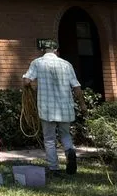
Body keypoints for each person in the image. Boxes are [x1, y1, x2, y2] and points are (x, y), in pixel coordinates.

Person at [23, 39, 84, 174]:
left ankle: (54, 168)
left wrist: (29, 86)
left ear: (43, 50)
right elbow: (76, 86)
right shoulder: (66, 64)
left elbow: (26, 81)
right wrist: (83, 105)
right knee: (65, 134)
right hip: (65, 108)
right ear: (56, 50)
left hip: (47, 108)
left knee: (49, 139)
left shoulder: (37, 63)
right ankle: (69, 151)